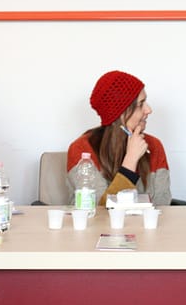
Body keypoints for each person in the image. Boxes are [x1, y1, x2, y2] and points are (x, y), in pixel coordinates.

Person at [67, 70, 172, 206]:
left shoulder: (154, 145)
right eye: (141, 104)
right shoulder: (82, 150)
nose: (148, 110)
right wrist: (130, 160)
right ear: (120, 114)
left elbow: (162, 207)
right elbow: (97, 211)